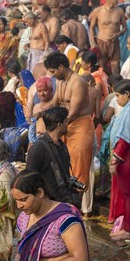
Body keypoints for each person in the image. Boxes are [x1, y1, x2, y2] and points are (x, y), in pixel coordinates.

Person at [45, 52, 94, 187]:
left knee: (78, 168)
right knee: (64, 165)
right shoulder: (61, 82)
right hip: (64, 126)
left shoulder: (78, 82)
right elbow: (53, 103)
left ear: (61, 67)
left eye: (53, 71)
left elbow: (73, 113)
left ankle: (77, 204)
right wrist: (40, 115)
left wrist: (55, 129)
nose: (52, 75)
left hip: (80, 127)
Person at [26, 106, 81, 208]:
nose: (67, 124)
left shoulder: (62, 145)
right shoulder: (38, 148)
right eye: (66, 121)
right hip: (48, 204)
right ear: (59, 124)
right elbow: (30, 179)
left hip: (64, 199)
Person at [109, 79, 130, 240]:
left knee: (128, 195)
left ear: (127, 94)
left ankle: (128, 230)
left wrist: (114, 160)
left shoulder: (128, 112)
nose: (117, 99)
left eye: (118, 96)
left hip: (125, 159)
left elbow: (124, 138)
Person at [89, 0, 127, 75]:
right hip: (101, 42)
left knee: (116, 68)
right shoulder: (98, 11)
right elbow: (91, 28)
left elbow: (125, 28)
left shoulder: (120, 11)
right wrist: (93, 43)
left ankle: (115, 86)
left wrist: (118, 34)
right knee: (102, 69)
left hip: (115, 43)